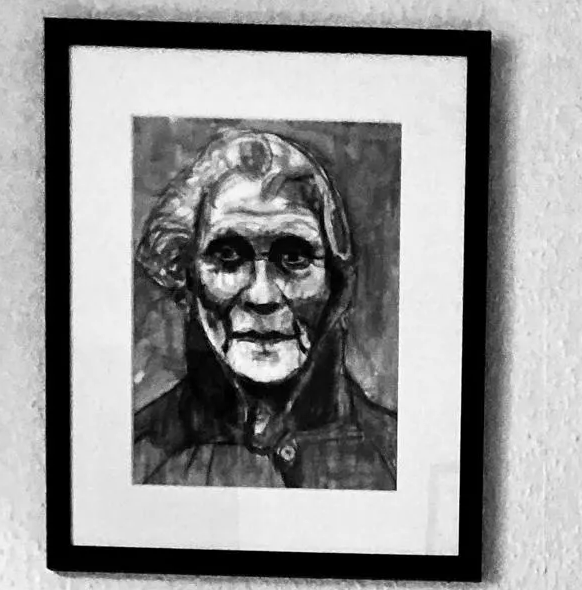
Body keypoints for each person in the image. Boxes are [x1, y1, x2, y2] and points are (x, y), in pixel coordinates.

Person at [133, 128, 396, 490]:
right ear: (186, 281)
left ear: (336, 285)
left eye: (293, 257)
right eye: (227, 257)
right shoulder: (133, 462)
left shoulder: (396, 458)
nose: (262, 296)